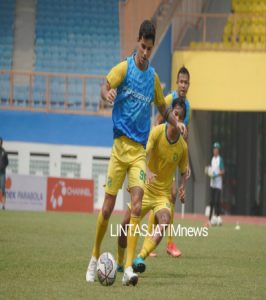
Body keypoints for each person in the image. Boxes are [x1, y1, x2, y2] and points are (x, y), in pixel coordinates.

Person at [85, 20, 186, 286]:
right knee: (107, 209)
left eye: (149, 49)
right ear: (138, 42)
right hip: (120, 149)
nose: (145, 52)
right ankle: (95, 256)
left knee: (138, 205)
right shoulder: (124, 68)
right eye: (143, 47)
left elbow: (164, 109)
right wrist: (107, 94)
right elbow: (104, 86)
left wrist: (176, 123)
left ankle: (128, 267)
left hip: (139, 152)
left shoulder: (152, 77)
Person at [116, 98, 188, 273]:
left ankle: (140, 257)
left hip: (162, 195)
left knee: (164, 222)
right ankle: (119, 262)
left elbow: (184, 170)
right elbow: (144, 152)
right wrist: (147, 171)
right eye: (175, 114)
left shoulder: (182, 147)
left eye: (180, 116)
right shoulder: (156, 132)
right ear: (170, 114)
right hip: (146, 189)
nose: (176, 118)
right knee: (124, 224)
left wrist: (182, 186)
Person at [149, 66, 191, 257]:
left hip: (173, 155)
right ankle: (159, 241)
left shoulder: (187, 106)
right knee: (160, 196)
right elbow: (158, 123)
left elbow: (184, 135)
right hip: (160, 154)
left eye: (186, 82)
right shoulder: (168, 100)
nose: (183, 85)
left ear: (189, 85)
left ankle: (169, 242)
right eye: (181, 81)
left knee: (171, 196)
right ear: (176, 82)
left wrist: (186, 162)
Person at [207, 142, 225, 226]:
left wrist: (216, 175)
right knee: (211, 202)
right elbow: (211, 169)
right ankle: (210, 219)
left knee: (217, 201)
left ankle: (218, 218)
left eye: (216, 149)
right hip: (212, 184)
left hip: (218, 184)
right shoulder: (212, 159)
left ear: (218, 151)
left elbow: (222, 171)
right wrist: (209, 172)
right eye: (214, 149)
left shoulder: (220, 159)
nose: (215, 151)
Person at [0, 137, 9, 210]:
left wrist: (3, 166)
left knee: (2, 188)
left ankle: (3, 205)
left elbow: (7, 162)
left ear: (1, 143)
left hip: (2, 173)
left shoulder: (4, 152)